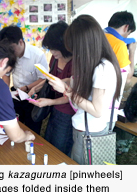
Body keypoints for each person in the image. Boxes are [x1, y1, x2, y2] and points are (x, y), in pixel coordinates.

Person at [44, 15, 122, 165]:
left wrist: (66, 90)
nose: (74, 53)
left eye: (74, 48)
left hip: (90, 131)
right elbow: (82, 83)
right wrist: (65, 81)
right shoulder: (94, 64)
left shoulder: (102, 68)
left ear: (84, 45)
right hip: (84, 127)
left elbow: (97, 110)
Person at [28, 21, 75, 156]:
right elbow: (50, 79)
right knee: (49, 142)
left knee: (60, 147)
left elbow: (72, 95)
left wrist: (50, 102)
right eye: (50, 48)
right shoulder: (54, 59)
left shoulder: (76, 62)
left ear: (65, 44)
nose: (52, 52)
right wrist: (36, 88)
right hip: (54, 107)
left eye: (54, 48)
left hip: (68, 111)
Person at [0, 25, 49, 134]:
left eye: (11, 49)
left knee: (32, 129)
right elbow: (6, 74)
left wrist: (27, 87)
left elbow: (44, 79)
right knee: (15, 126)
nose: (10, 53)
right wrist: (5, 91)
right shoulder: (8, 56)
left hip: (33, 95)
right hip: (16, 94)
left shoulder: (37, 55)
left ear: (20, 42)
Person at [105, 11, 136, 83]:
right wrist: (132, 51)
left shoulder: (96, 36)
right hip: (106, 90)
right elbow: (127, 78)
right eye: (128, 33)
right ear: (126, 27)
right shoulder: (119, 45)